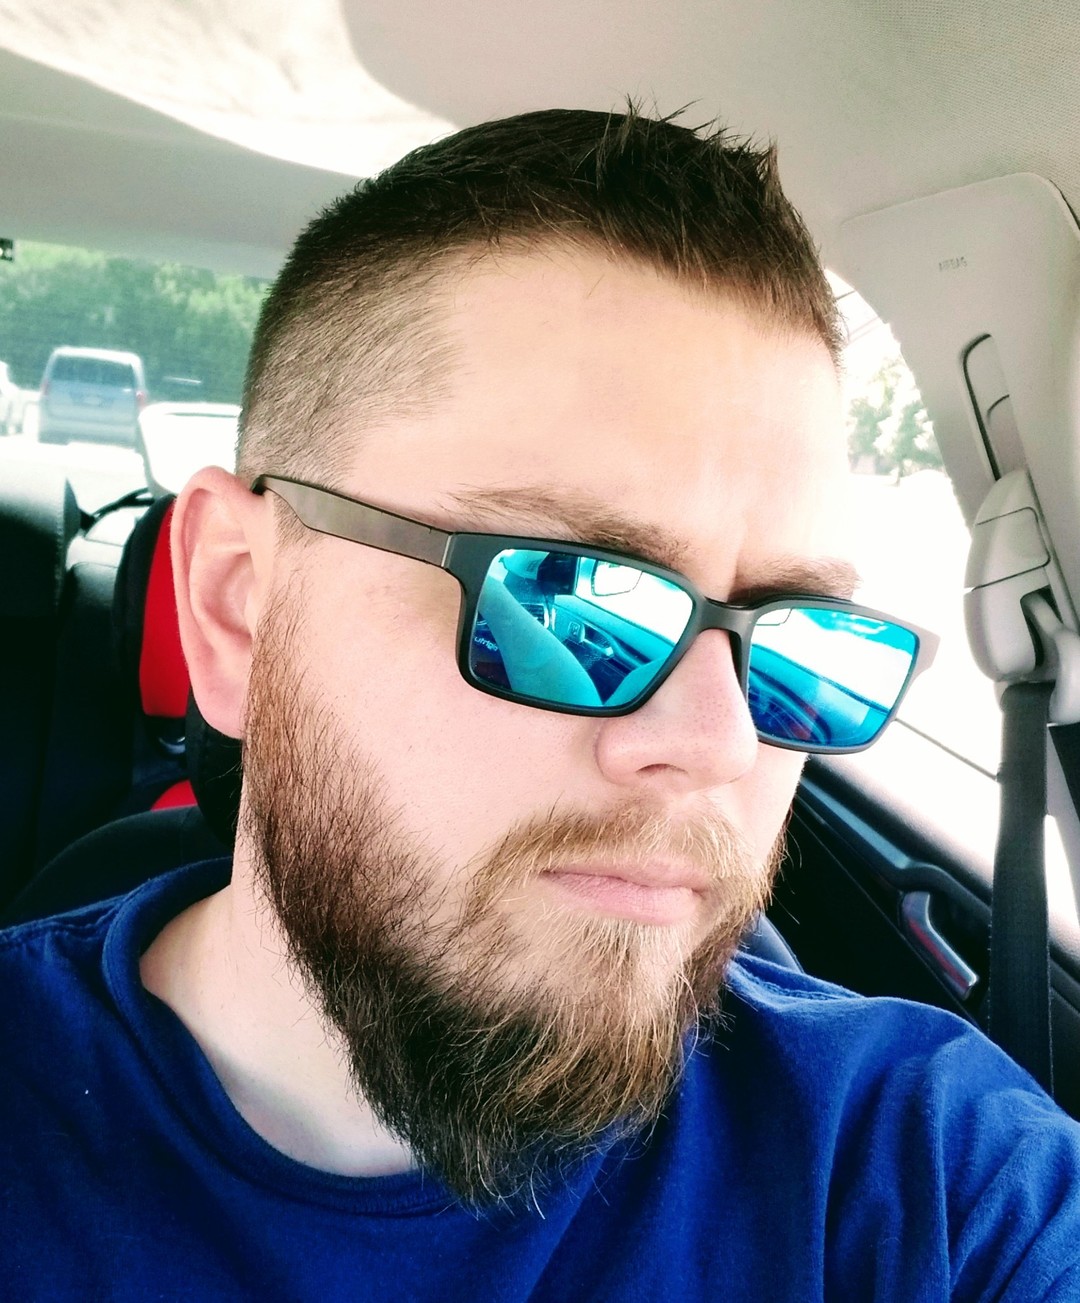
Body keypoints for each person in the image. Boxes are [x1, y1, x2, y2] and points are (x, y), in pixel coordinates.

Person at [3, 107, 1079, 1301]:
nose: (718, 744)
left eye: (798, 641)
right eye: (564, 599)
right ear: (238, 606)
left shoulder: (929, 1180)